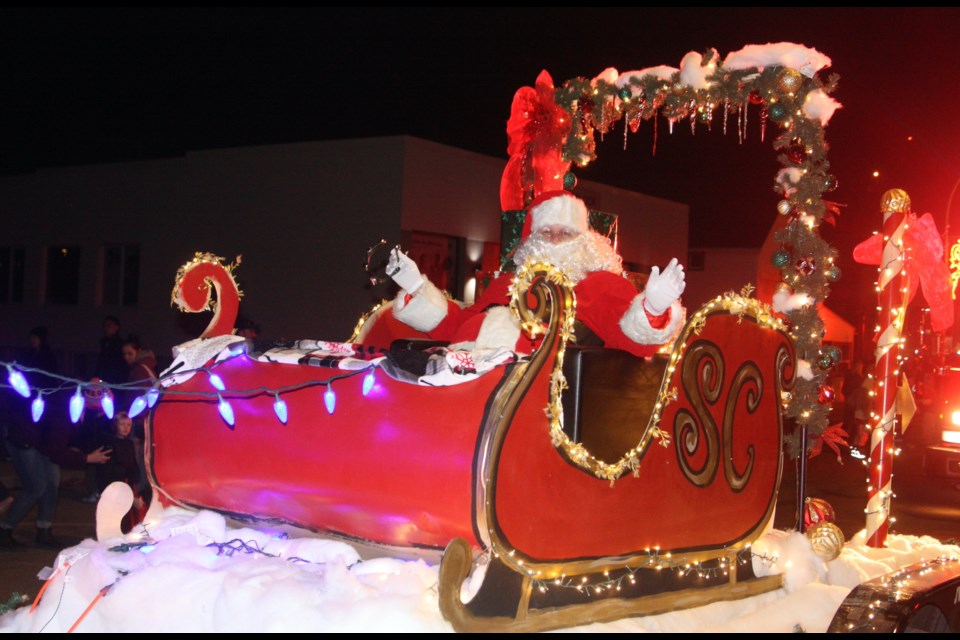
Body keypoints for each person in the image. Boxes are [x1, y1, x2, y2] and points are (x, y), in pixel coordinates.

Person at [388, 190, 686, 356]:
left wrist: (654, 309)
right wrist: (415, 284)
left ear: (586, 242)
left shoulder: (602, 286)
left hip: (536, 402)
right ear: (532, 240)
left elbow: (634, 344)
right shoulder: (506, 284)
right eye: (547, 232)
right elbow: (455, 327)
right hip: (462, 373)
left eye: (565, 233)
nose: (555, 240)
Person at [1, 388, 111, 550]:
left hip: (40, 440)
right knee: (36, 486)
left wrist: (82, 452)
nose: (100, 413)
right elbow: (55, 450)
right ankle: (4, 530)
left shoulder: (78, 409)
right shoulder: (64, 412)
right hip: (23, 438)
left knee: (52, 483)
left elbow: (65, 441)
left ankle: (43, 531)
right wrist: (86, 458)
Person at [95, 412, 146, 534]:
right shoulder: (109, 443)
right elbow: (111, 467)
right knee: (113, 515)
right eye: (122, 424)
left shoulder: (129, 443)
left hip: (126, 482)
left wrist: (135, 479)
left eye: (128, 425)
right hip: (114, 483)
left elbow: (132, 463)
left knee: (126, 516)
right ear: (115, 425)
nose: (125, 427)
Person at [121, 336, 157, 498]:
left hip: (139, 419)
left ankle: (141, 489)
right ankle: (144, 488)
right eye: (124, 354)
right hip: (145, 419)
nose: (126, 357)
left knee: (138, 458)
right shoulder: (147, 368)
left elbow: (139, 397)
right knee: (144, 456)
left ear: (138, 352)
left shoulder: (139, 370)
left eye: (130, 353)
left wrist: (133, 420)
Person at [95, 316, 127, 385]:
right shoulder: (104, 343)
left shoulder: (120, 344)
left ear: (116, 327)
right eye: (104, 326)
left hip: (115, 380)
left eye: (109, 326)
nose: (106, 328)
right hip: (103, 379)